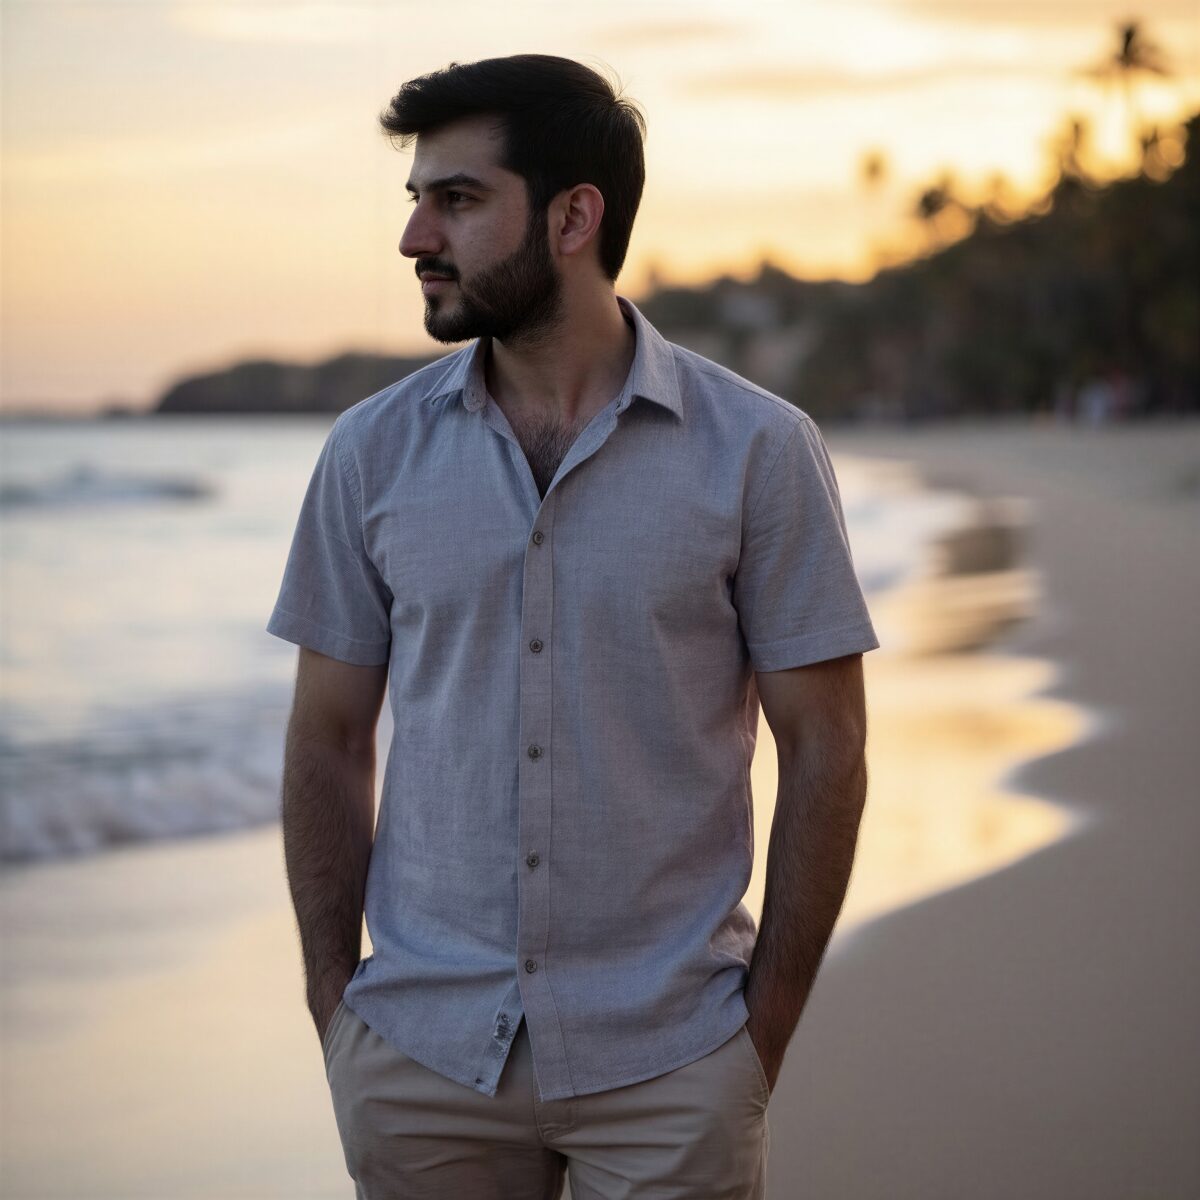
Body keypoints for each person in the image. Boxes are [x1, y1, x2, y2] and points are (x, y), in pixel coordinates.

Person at [267, 52, 880, 1200]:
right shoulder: (369, 454)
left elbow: (828, 747)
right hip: (421, 1057)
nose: (414, 238)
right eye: (415, 201)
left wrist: (761, 1038)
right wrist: (332, 1012)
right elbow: (327, 741)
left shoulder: (757, 451)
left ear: (572, 217)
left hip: (673, 1058)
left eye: (456, 200)